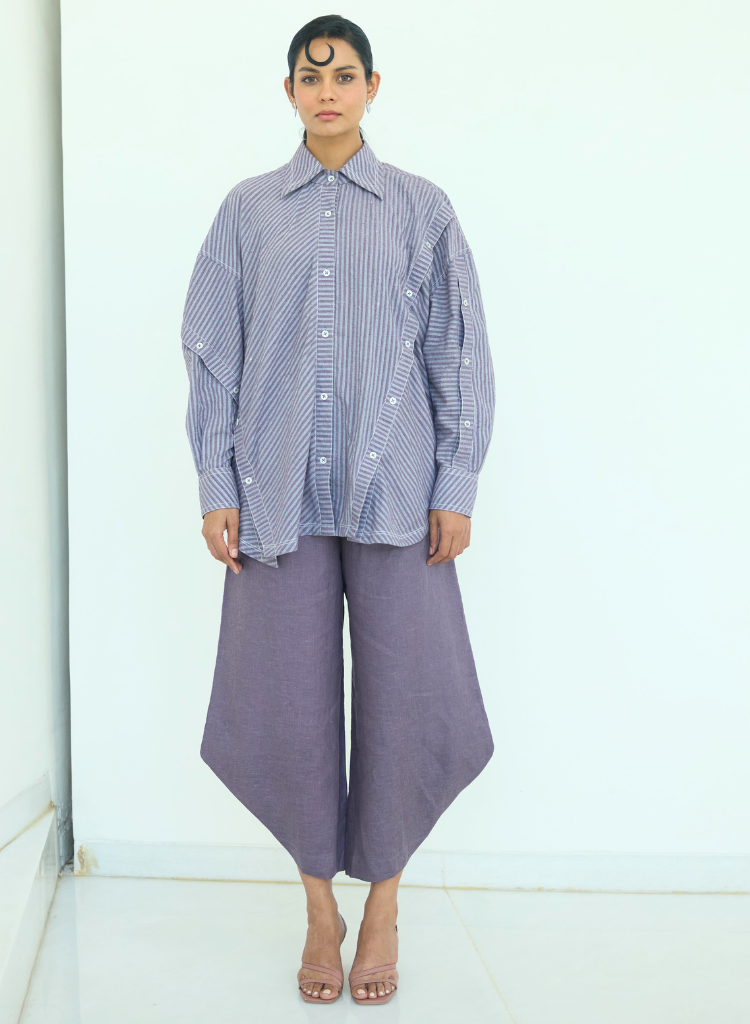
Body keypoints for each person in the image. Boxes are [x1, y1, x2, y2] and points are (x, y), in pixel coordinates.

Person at [180, 14, 496, 1006]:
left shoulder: (420, 209)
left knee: (411, 697)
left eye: (345, 75)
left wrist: (456, 484)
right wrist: (216, 483)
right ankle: (320, 909)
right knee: (284, 703)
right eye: (310, 77)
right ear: (288, 92)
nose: (328, 91)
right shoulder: (246, 212)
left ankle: (386, 905)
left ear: (371, 87)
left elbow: (457, 350)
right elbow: (212, 353)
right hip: (274, 494)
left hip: (399, 493)